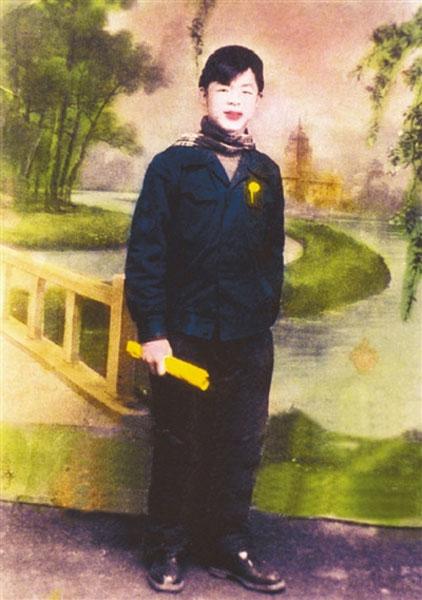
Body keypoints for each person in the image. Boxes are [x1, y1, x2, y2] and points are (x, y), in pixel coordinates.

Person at [124, 45, 286, 594]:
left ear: (258, 99)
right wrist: (153, 332)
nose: (235, 101)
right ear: (204, 96)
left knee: (240, 446)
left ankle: (228, 544)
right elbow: (146, 254)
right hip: (184, 336)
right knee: (179, 443)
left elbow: (271, 254)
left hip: (248, 339)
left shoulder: (265, 172)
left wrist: (262, 314)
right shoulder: (172, 166)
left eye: (246, 91)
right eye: (223, 90)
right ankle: (167, 545)